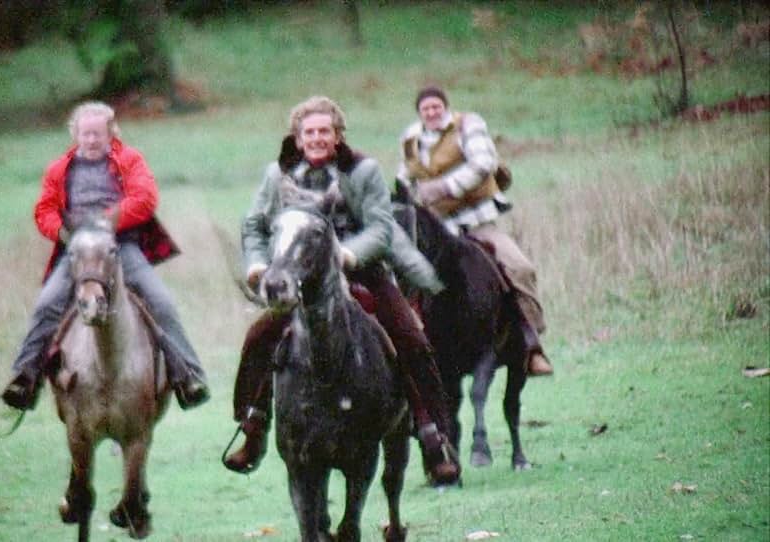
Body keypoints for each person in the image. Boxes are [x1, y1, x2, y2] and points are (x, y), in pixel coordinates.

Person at [223, 96, 460, 484]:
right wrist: (258, 265)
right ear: (297, 139)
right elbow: (254, 225)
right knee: (259, 336)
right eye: (309, 132)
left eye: (324, 131)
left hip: (360, 270)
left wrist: (347, 255)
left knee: (411, 337)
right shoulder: (276, 175)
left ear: (337, 136)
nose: (316, 138)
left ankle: (433, 435)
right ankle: (253, 425)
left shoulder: (363, 171)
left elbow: (382, 228)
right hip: (297, 277)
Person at [0, 101, 209, 412]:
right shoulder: (59, 170)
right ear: (76, 135)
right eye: (86, 134)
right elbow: (44, 210)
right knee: (47, 304)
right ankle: (25, 377)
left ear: (111, 133)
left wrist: (106, 221)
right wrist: (63, 232)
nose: (92, 140)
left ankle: (188, 375)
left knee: (161, 301)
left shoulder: (130, 160)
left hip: (120, 246)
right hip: (79, 249)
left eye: (98, 134)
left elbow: (144, 198)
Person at [396, 85, 554, 377]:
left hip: (475, 222)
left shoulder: (469, 125)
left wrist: (443, 187)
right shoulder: (411, 137)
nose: (431, 112)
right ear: (419, 112)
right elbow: (405, 173)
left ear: (445, 106)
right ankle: (404, 349)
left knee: (519, 268)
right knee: (400, 274)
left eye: (436, 106)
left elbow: (484, 164)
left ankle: (531, 345)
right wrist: (404, 194)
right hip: (434, 229)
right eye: (425, 108)